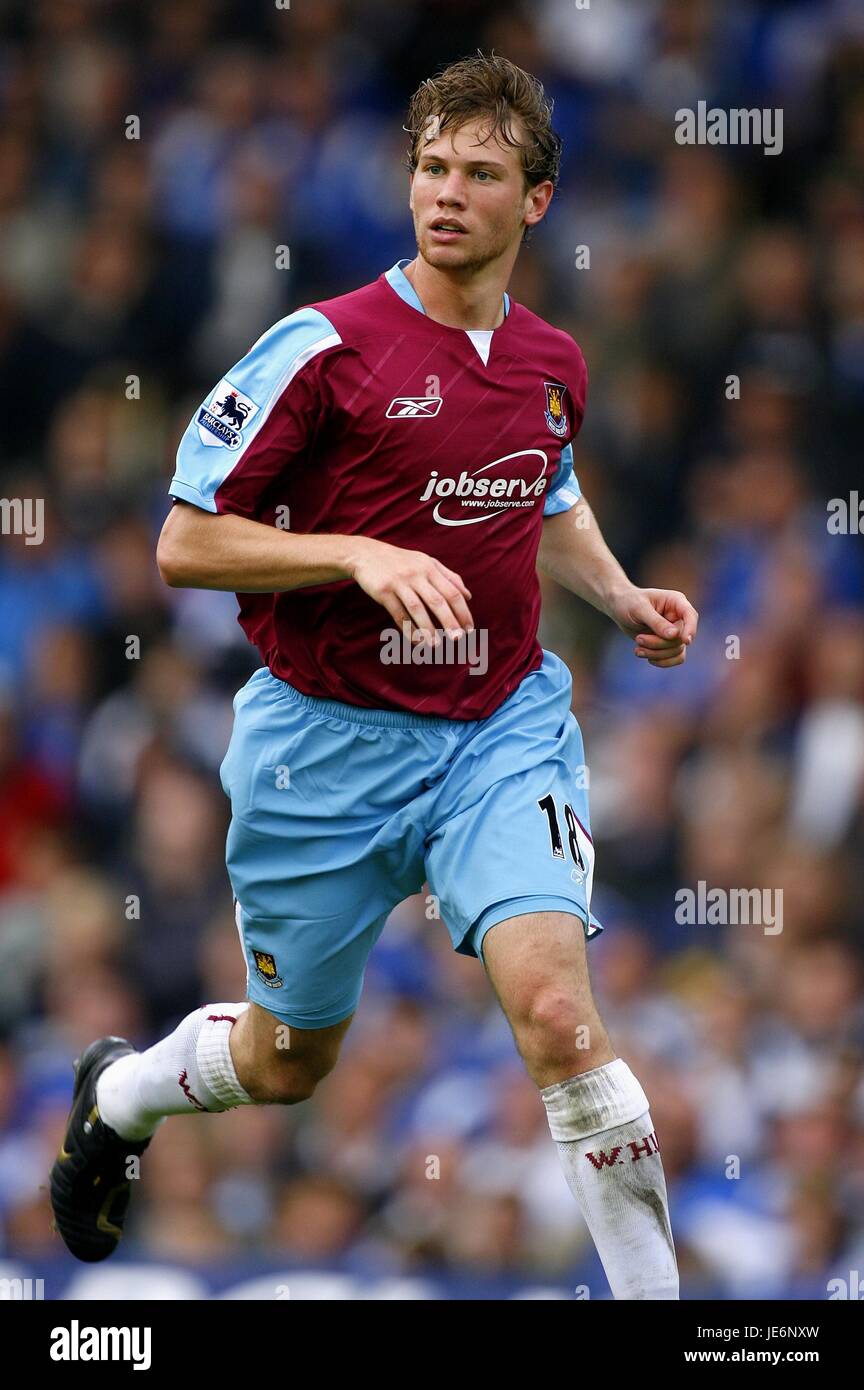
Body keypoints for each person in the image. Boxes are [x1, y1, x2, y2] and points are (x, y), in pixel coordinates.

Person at [51, 52, 697, 1298]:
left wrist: (615, 593)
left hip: (496, 726)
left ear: (537, 200)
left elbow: (543, 495)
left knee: (561, 1020)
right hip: (320, 750)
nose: (447, 194)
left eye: (481, 174)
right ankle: (123, 1088)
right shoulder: (321, 346)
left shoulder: (552, 363)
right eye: (431, 168)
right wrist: (352, 551)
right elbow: (183, 542)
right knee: (290, 1060)